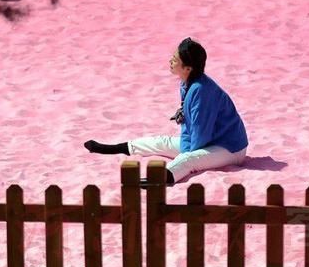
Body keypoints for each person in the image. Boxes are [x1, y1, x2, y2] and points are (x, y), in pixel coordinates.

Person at [85, 37, 248, 184]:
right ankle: (114, 148)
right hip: (209, 140)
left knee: (187, 159)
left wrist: (185, 150)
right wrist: (185, 143)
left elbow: (200, 134)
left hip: (229, 148)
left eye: (175, 59)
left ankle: (157, 180)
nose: (170, 61)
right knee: (163, 142)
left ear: (187, 68)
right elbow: (190, 128)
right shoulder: (187, 84)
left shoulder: (201, 90)